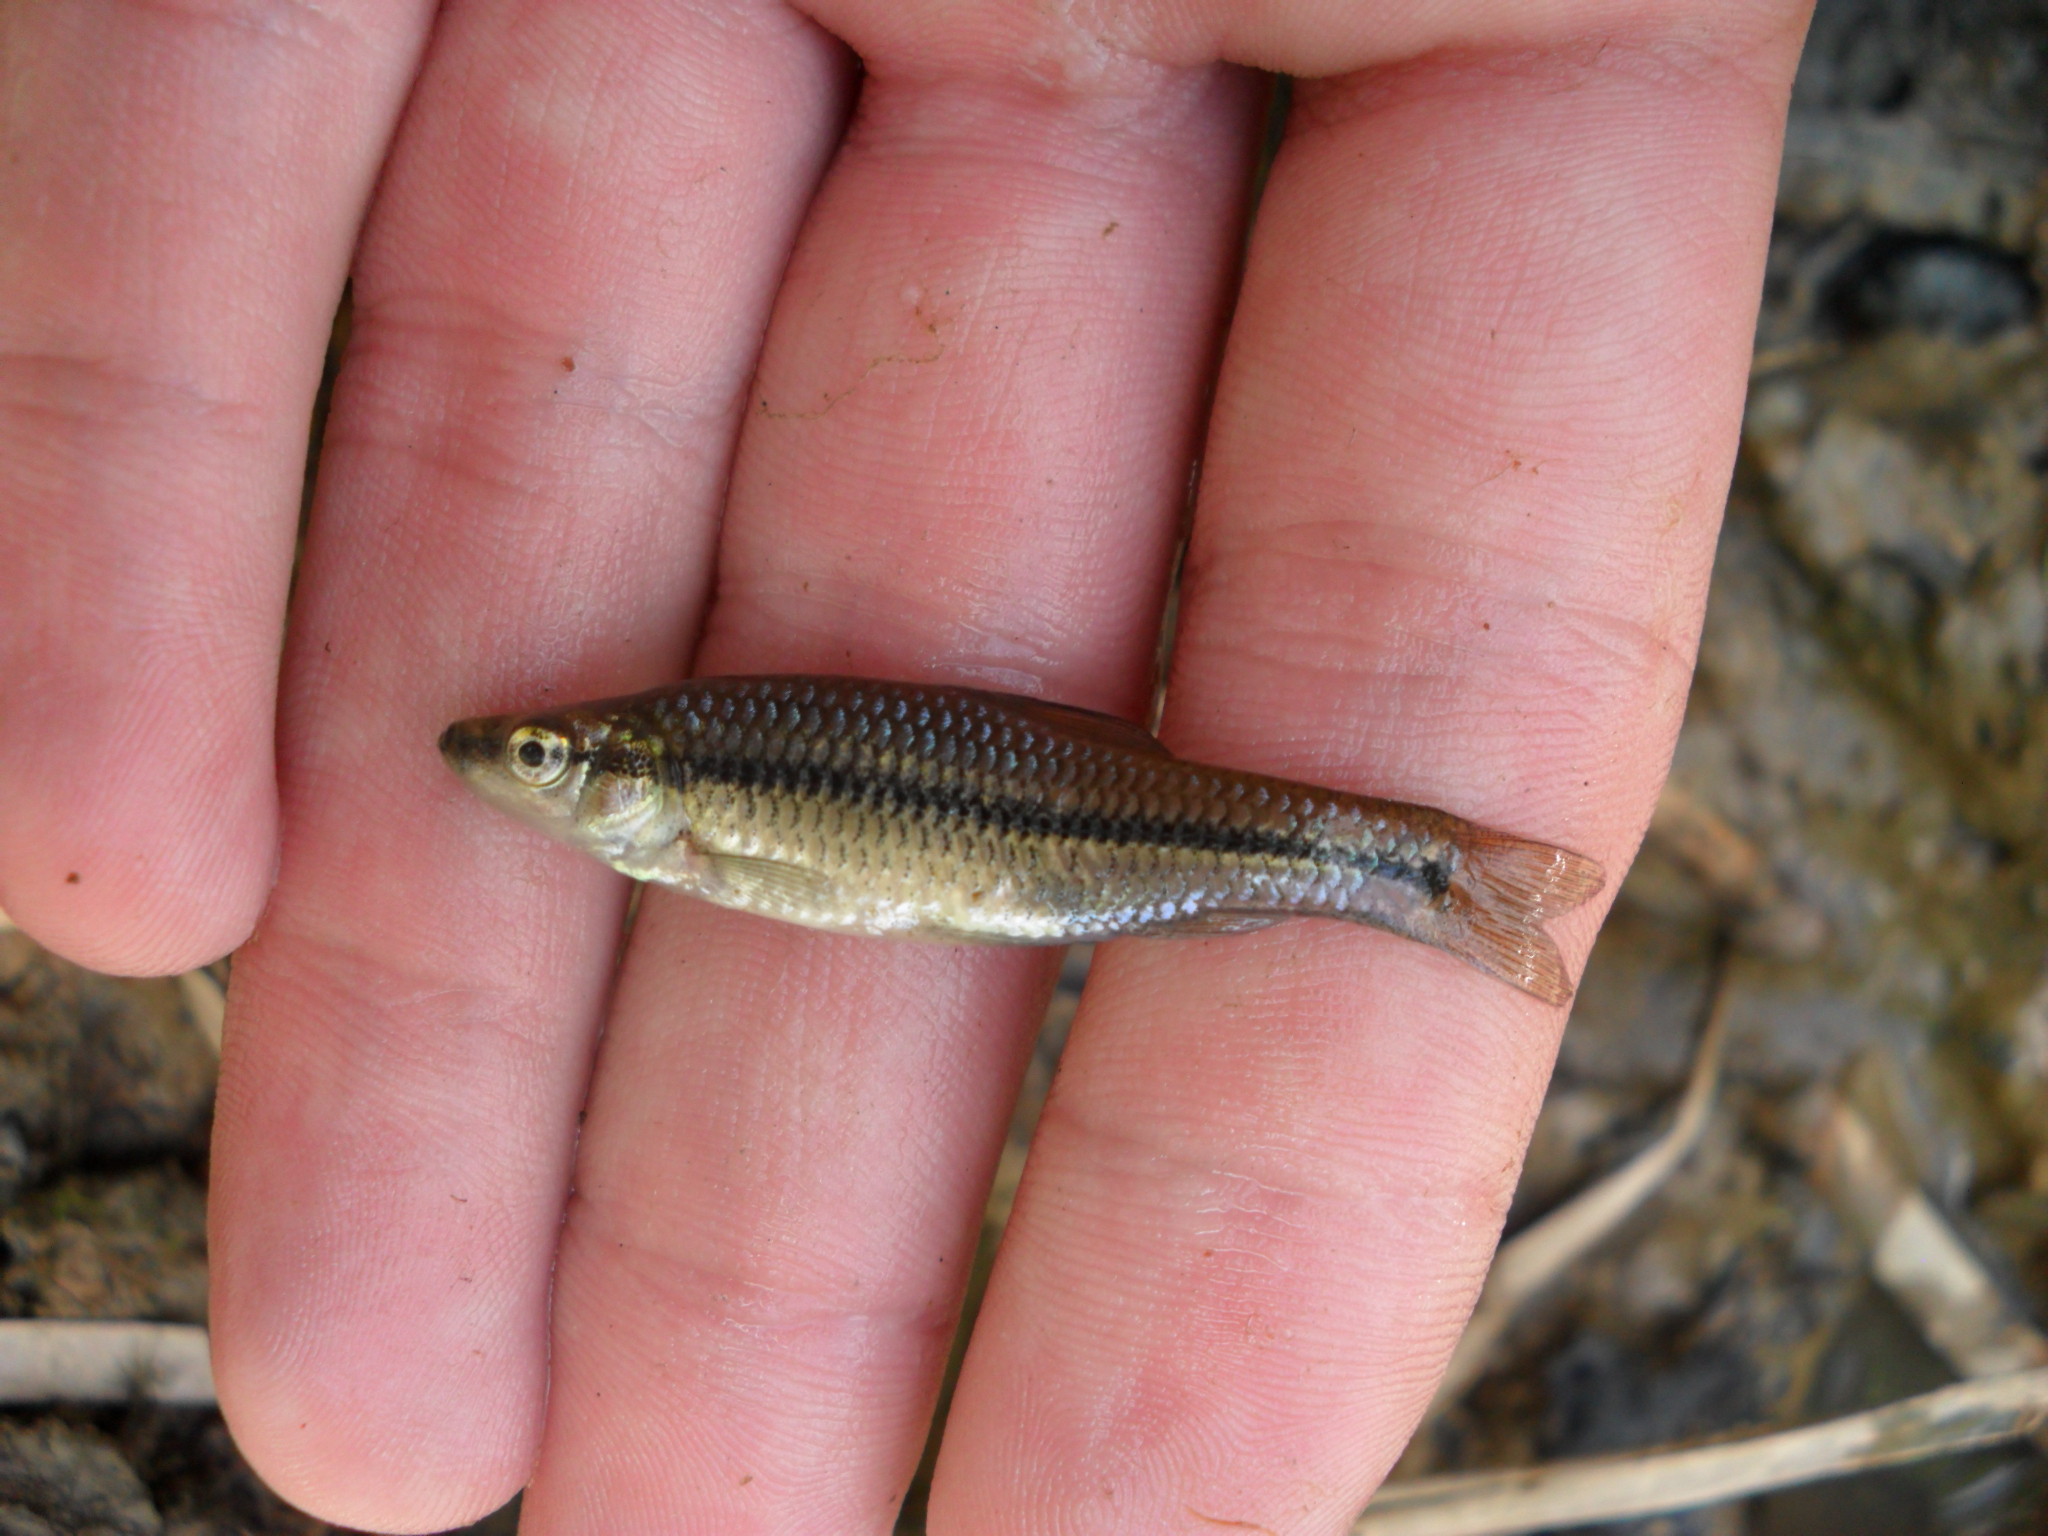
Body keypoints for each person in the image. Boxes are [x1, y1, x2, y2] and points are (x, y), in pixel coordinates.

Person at [0, 2, 1816, 1530]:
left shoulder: (693, 784)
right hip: (1024, 836)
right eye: (543, 757)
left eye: (550, 759)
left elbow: (762, 856)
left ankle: (1421, 873)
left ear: (632, 773)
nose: (529, 769)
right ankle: (1416, 877)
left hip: (1036, 831)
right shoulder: (691, 776)